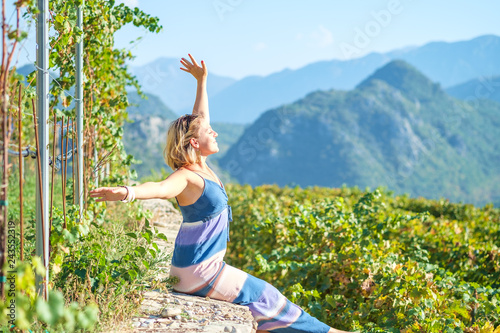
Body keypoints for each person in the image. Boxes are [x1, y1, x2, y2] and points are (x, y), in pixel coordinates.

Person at [90, 54, 355, 333]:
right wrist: (127, 192)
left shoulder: (201, 167)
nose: (214, 132)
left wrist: (202, 81)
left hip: (197, 267)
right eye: (208, 132)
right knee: (266, 296)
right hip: (197, 270)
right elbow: (159, 188)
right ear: (194, 142)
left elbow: (201, 118)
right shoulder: (187, 176)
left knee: (262, 302)